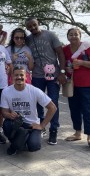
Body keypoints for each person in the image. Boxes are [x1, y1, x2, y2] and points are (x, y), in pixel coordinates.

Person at [25, 17, 66, 145]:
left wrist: (62, 72)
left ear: (39, 24)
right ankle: (41, 126)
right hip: (37, 75)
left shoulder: (50, 35)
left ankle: (53, 130)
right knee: (38, 103)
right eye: (29, 26)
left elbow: (60, 53)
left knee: (53, 103)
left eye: (34, 25)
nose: (32, 28)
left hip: (53, 75)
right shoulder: (28, 39)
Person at [0, 66, 57, 155]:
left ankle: (24, 139)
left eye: (21, 75)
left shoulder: (34, 90)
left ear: (27, 76)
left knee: (34, 146)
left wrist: (42, 125)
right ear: (12, 76)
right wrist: (9, 115)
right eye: (16, 75)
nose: (19, 77)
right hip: (16, 123)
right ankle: (15, 145)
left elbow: (52, 108)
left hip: (32, 125)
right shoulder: (6, 91)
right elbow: (4, 112)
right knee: (6, 124)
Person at [63, 28, 90, 146]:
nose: (74, 36)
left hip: (87, 84)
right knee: (74, 109)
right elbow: (63, 63)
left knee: (88, 110)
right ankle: (77, 132)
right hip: (72, 84)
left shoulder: (87, 47)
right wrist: (65, 69)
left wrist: (81, 63)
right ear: (67, 37)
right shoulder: (65, 49)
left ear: (80, 36)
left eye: (76, 34)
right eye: (71, 34)